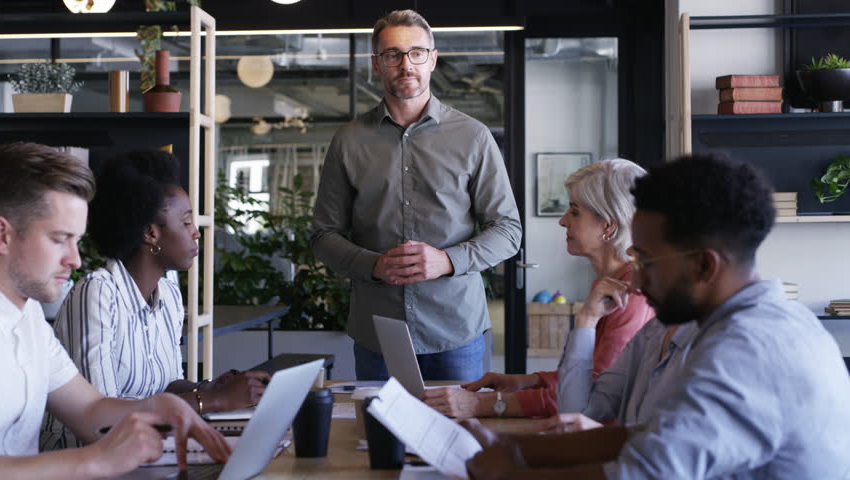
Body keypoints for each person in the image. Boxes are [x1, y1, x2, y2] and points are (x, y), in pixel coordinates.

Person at [464, 153, 850, 479]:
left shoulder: (752, 348)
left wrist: (512, 472)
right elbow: (637, 434)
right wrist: (511, 448)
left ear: (702, 266)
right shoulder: (679, 324)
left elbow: (645, 471)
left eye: (646, 260)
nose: (636, 275)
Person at [0, 142, 230, 479]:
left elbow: (90, 410)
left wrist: (159, 405)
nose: (74, 260)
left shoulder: (26, 315)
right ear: (2, 235)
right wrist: (93, 461)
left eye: (76, 240)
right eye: (59, 238)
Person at [310, 9, 521, 381]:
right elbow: (323, 235)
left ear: (433, 59)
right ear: (377, 64)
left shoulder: (473, 136)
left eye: (417, 53)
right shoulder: (349, 140)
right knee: (379, 439)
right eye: (393, 55)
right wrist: (371, 264)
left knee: (458, 438)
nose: (406, 65)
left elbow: (507, 230)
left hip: (456, 330)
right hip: (379, 333)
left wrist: (449, 260)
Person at [40, 149, 270, 450]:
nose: (196, 233)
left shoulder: (170, 296)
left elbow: (168, 386)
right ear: (151, 233)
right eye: (186, 222)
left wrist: (211, 387)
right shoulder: (97, 294)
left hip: (149, 450)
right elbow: (103, 425)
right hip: (84, 459)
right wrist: (211, 400)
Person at [423, 159, 653, 418]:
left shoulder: (629, 295)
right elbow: (580, 378)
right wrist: (527, 381)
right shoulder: (608, 283)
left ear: (608, 226)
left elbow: (589, 400)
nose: (563, 221)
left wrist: (481, 404)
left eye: (575, 211)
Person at [542, 319, 699, 433]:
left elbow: (683, 456)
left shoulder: (710, 346)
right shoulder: (652, 331)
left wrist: (611, 440)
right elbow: (577, 413)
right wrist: (587, 319)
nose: (637, 283)